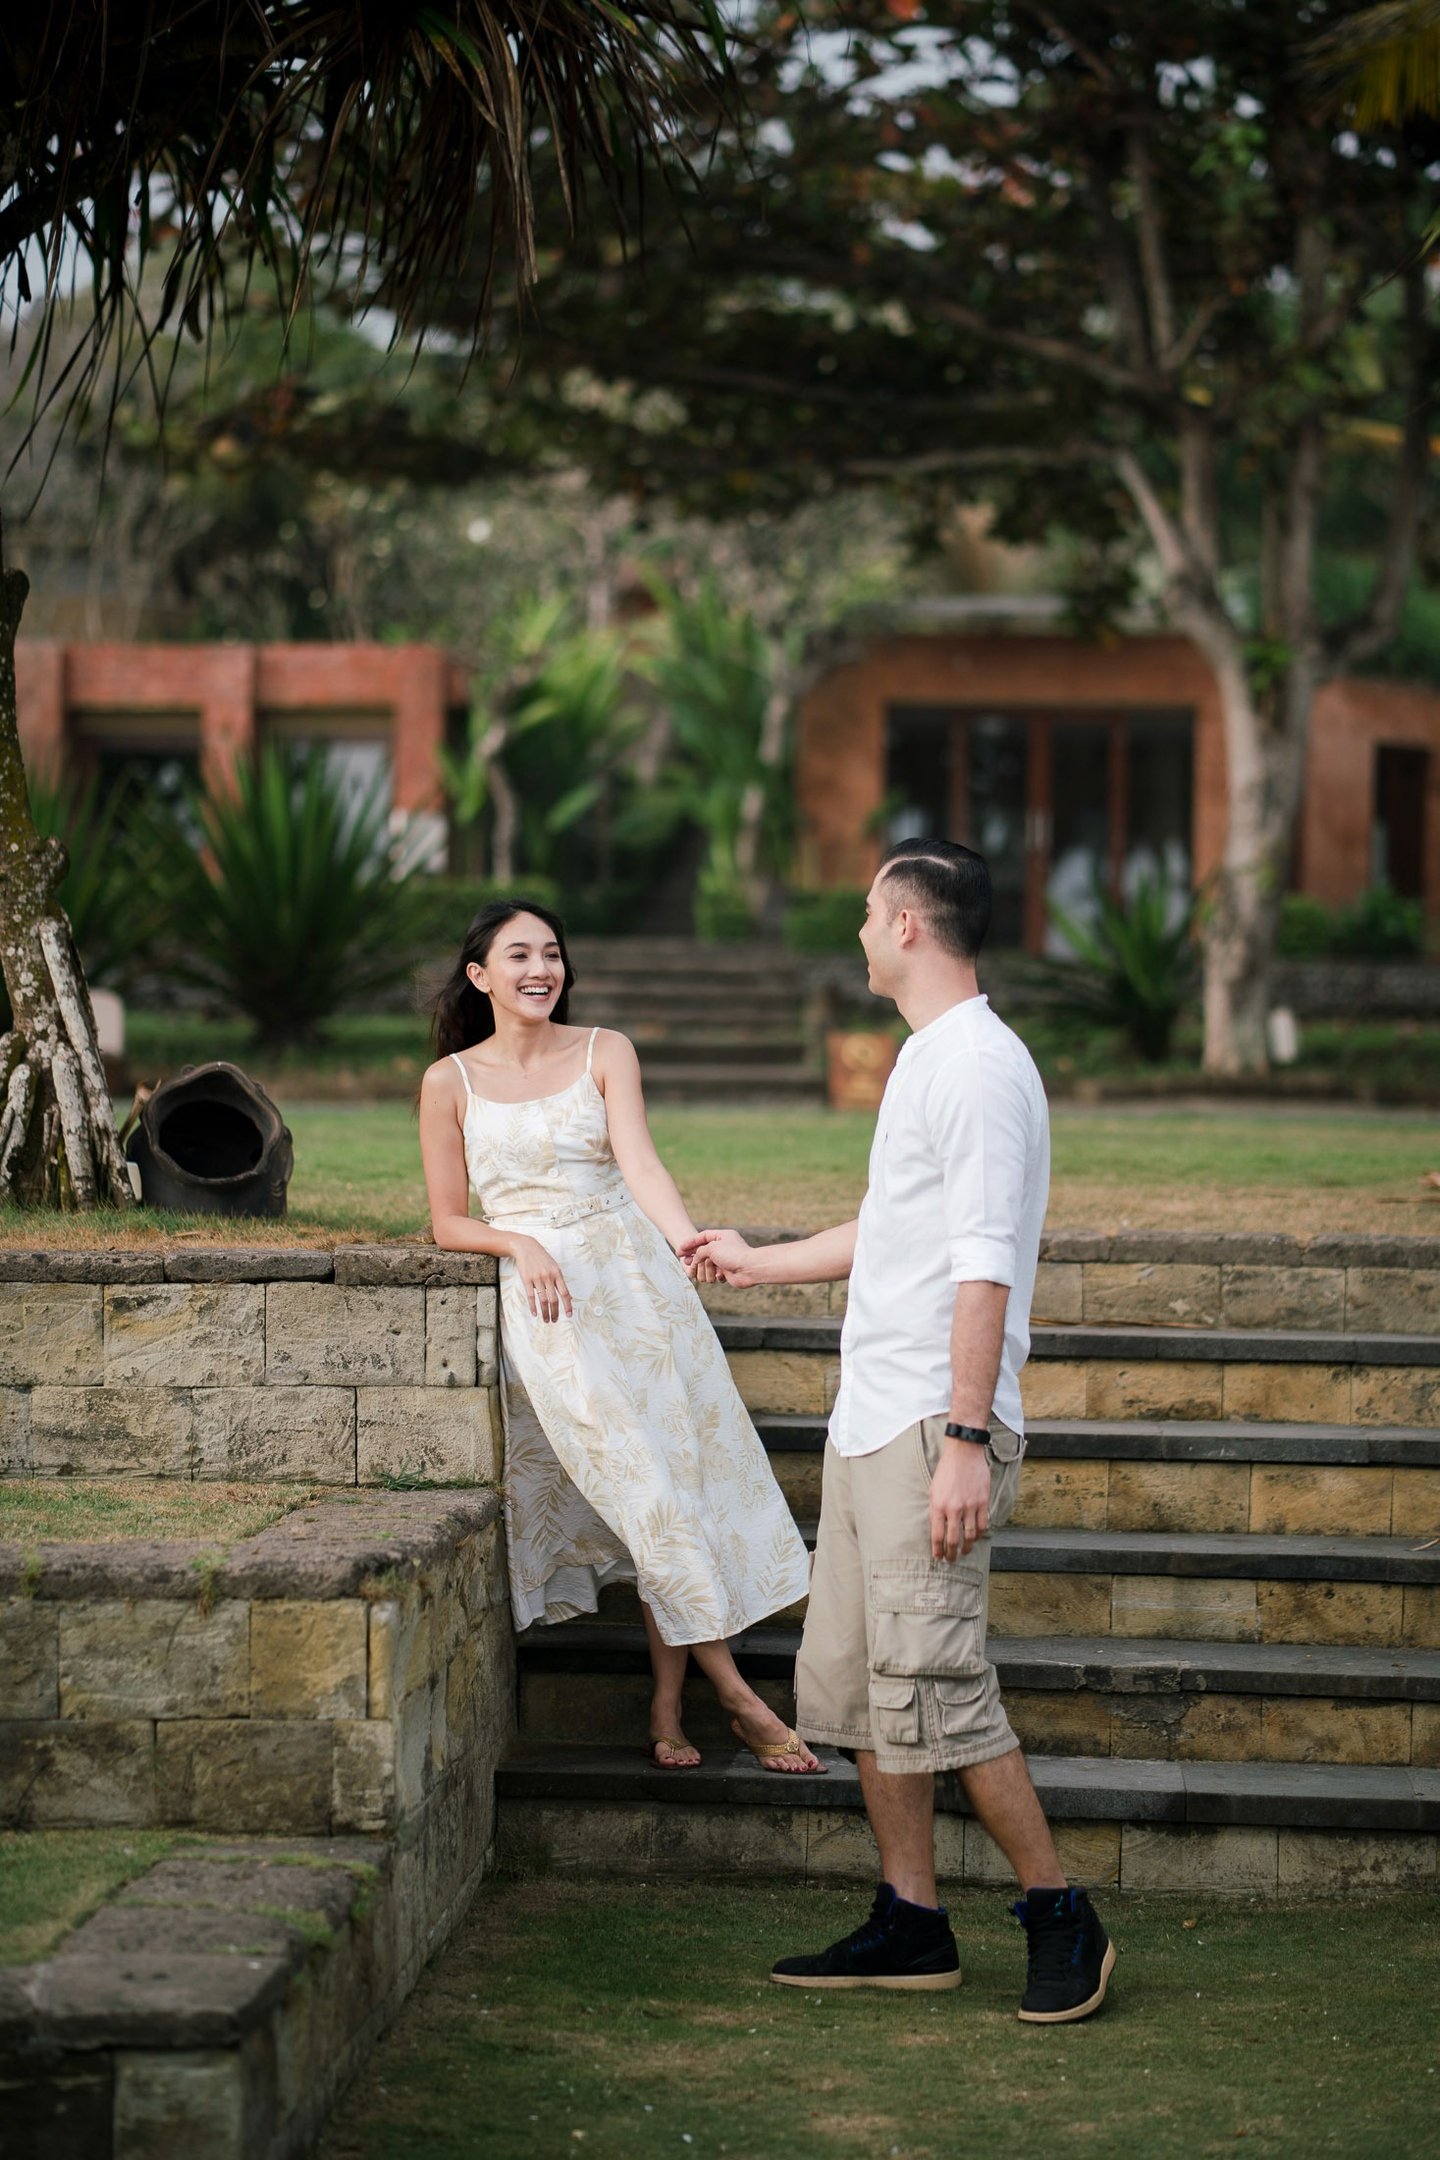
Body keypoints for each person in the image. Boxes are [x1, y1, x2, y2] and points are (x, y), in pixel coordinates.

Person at [683, 839, 1115, 2022]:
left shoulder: (976, 1068)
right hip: (879, 1420)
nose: (860, 933)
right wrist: (753, 1263)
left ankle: (1058, 1910)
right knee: (872, 1694)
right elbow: (891, 1228)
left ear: (911, 927)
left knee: (941, 1686)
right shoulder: (931, 1063)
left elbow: (984, 1268)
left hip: (937, 1424)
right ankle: (912, 1921)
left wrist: (968, 1438)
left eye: (870, 914)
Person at [418, 896, 821, 1775]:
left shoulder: (606, 1051)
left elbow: (639, 1162)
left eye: (552, 953)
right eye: (519, 955)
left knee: (668, 1483)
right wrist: (518, 1242)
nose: (540, 970)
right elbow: (449, 1220)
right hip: (550, 1305)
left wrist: (685, 1238)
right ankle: (740, 1697)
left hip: (636, 1288)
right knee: (642, 1490)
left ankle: (668, 1700)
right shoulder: (449, 1081)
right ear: (480, 975)